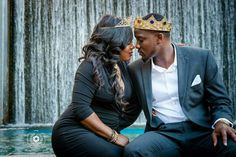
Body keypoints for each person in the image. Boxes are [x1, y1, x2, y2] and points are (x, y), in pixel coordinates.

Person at [124, 13, 236, 157]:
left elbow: (220, 100)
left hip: (201, 131)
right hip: (163, 134)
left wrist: (222, 122)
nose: (136, 45)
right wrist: (105, 130)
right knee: (133, 151)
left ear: (159, 38)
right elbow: (130, 109)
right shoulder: (135, 69)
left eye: (140, 40)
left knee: (232, 147)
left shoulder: (201, 58)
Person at [51, 15, 141, 157]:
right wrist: (114, 136)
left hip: (100, 134)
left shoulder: (122, 65)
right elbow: (80, 108)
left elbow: (145, 66)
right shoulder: (89, 66)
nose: (134, 46)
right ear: (116, 42)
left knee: (135, 153)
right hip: (72, 132)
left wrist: (168, 50)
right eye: (128, 42)